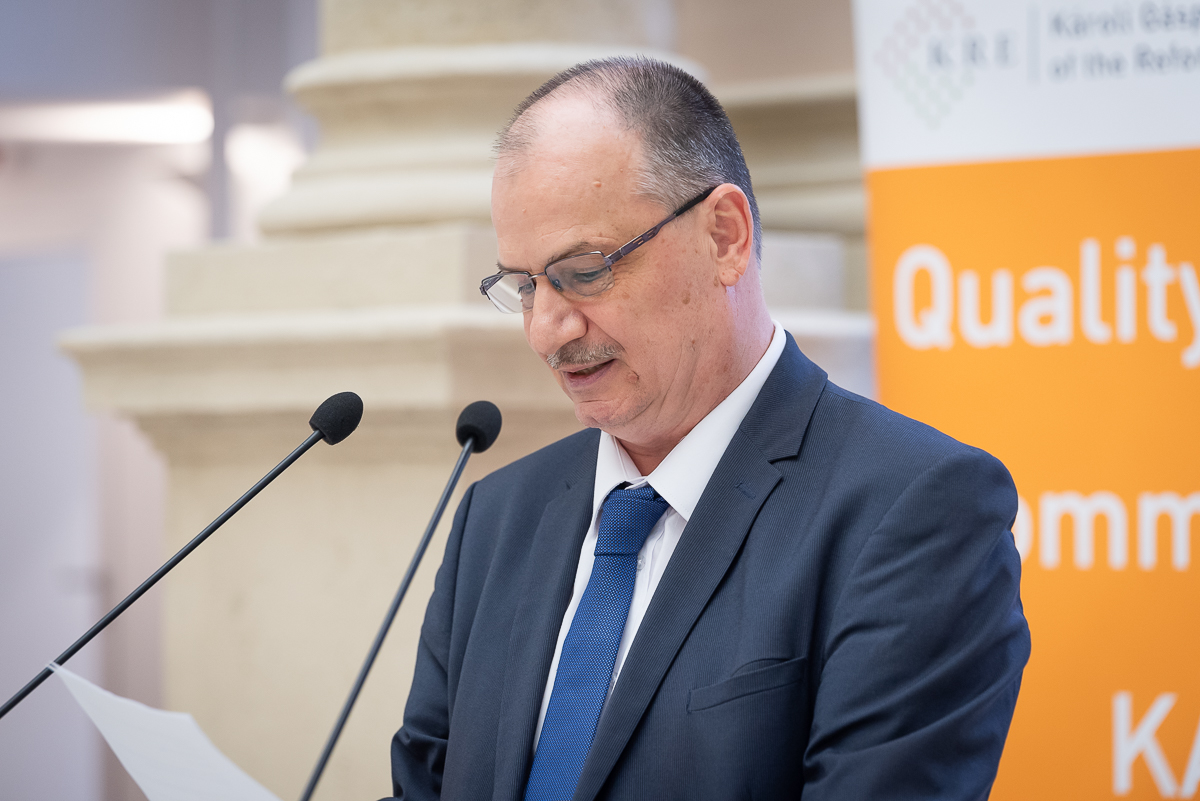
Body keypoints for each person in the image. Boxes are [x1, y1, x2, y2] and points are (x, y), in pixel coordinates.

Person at [386, 57, 1029, 801]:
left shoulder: (916, 509)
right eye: (525, 287)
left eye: (583, 271)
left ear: (724, 236)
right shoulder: (497, 517)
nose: (547, 330)